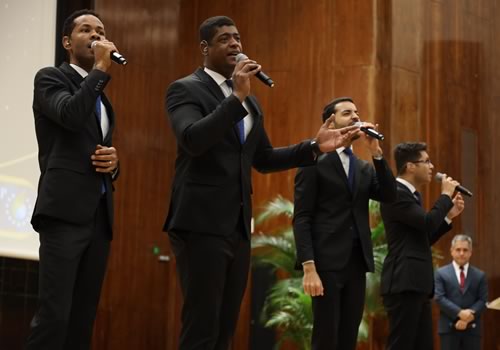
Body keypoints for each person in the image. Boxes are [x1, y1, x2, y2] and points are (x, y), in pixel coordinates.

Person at [164, 16, 360, 350]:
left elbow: (264, 158)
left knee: (226, 325)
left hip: (237, 226)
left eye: (238, 39)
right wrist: (235, 98)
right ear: (204, 48)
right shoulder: (186, 89)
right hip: (199, 222)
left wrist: (314, 147)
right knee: (202, 324)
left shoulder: (250, 102)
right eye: (225, 39)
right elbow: (193, 139)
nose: (236, 45)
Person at [26, 9, 120, 350]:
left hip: (98, 216)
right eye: (86, 29)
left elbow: (96, 149)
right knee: (55, 318)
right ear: (67, 41)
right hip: (64, 213)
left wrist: (114, 163)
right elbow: (69, 115)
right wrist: (100, 70)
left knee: (82, 320)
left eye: (101, 30)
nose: (96, 34)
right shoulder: (50, 78)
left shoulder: (104, 101)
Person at [292, 97, 397, 350]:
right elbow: (302, 216)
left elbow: (389, 194)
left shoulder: (363, 167)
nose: (355, 117)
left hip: (356, 262)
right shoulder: (313, 161)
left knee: (348, 335)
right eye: (347, 113)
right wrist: (309, 267)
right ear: (331, 122)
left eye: (356, 112)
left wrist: (377, 155)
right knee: (326, 336)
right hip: (326, 262)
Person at [380, 142, 465, 350]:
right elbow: (427, 222)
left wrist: (448, 216)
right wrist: (445, 195)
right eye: (426, 161)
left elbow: (421, 238)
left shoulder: (413, 196)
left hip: (418, 283)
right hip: (404, 282)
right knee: (402, 344)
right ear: (410, 166)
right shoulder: (396, 192)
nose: (432, 167)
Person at [435, 234, 488, 350]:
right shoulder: (441, 273)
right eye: (458, 250)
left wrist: (467, 318)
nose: (461, 253)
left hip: (472, 330)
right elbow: (439, 298)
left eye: (465, 250)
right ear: (451, 251)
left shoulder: (480, 275)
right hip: (449, 329)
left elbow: (483, 301)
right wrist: (460, 313)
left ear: (470, 252)